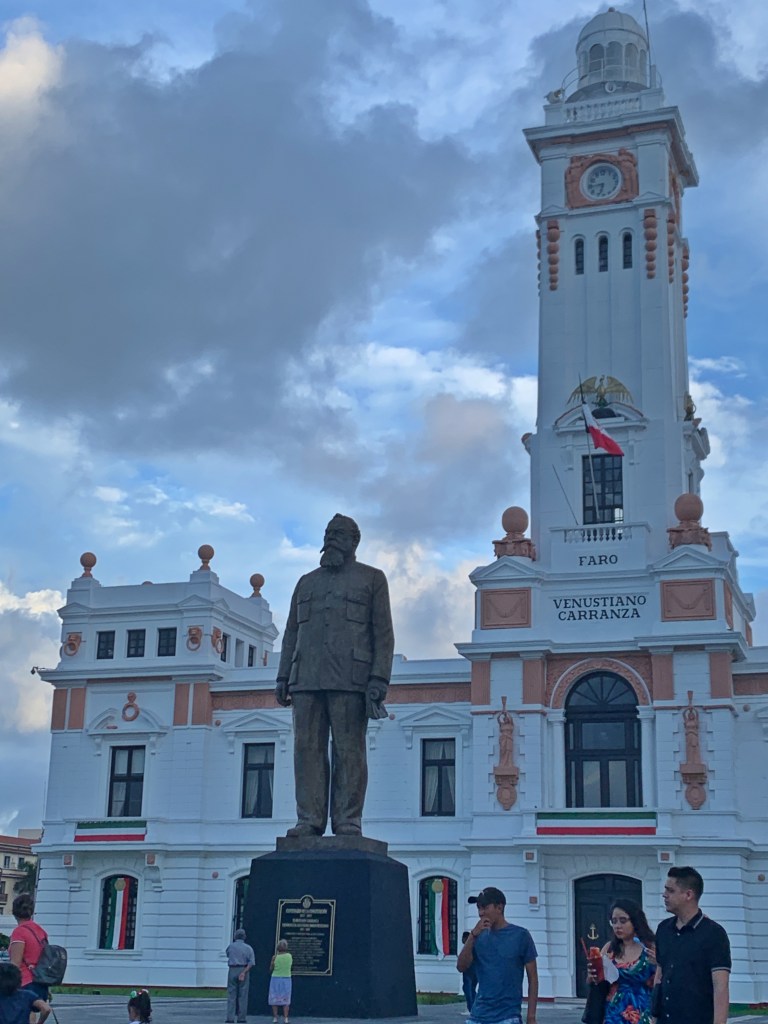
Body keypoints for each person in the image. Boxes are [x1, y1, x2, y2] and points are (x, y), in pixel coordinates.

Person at [275, 513, 395, 837]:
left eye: (338, 534)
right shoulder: (306, 582)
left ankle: (347, 819)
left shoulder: (372, 579)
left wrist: (379, 679)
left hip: (350, 680)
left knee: (349, 751)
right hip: (306, 679)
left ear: (354, 542)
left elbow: (383, 633)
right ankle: (309, 819)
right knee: (306, 750)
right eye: (328, 533)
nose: (330, 538)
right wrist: (283, 676)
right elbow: (291, 632)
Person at [653, 866, 731, 1024]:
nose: (664, 895)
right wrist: (654, 1018)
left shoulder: (714, 934)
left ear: (688, 895)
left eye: (670, 891)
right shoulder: (663, 929)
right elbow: (659, 976)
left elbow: (720, 987)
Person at [457, 886, 538, 1024]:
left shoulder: (521, 936)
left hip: (507, 1016)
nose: (481, 913)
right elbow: (461, 967)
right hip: (478, 1015)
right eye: (478, 908)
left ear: (499, 908)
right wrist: (472, 936)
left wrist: (531, 1017)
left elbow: (533, 977)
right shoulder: (477, 937)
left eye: (485, 907)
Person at [587, 898, 656, 1024]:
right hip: (613, 1012)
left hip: (643, 1012)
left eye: (623, 921)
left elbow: (662, 980)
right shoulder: (609, 949)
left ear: (635, 921)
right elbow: (596, 983)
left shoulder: (650, 947)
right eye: (614, 921)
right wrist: (592, 975)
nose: (617, 926)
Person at [8, 894, 50, 1023]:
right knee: (31, 1012)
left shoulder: (19, 932)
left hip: (24, 981)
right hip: (40, 980)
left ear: (14, 912)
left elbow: (15, 964)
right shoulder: (41, 931)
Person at [225, 928, 255, 1024]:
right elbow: (251, 962)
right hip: (243, 969)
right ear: (244, 937)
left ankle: (230, 1018)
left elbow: (228, 955)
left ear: (235, 936)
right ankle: (241, 1018)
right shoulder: (248, 948)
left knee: (231, 994)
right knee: (243, 995)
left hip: (232, 969)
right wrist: (244, 972)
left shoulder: (230, 947)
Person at [268, 939, 293, 1023]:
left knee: (274, 998)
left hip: (275, 978)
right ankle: (286, 1018)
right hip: (286, 979)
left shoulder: (274, 957)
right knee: (286, 998)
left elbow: (271, 969)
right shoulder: (289, 956)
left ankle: (275, 1017)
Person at [460, 930, 478, 1016]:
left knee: (468, 988)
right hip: (475, 970)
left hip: (469, 970)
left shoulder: (469, 947)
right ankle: (473, 1007)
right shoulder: (475, 945)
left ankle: (471, 1008)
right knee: (471, 989)